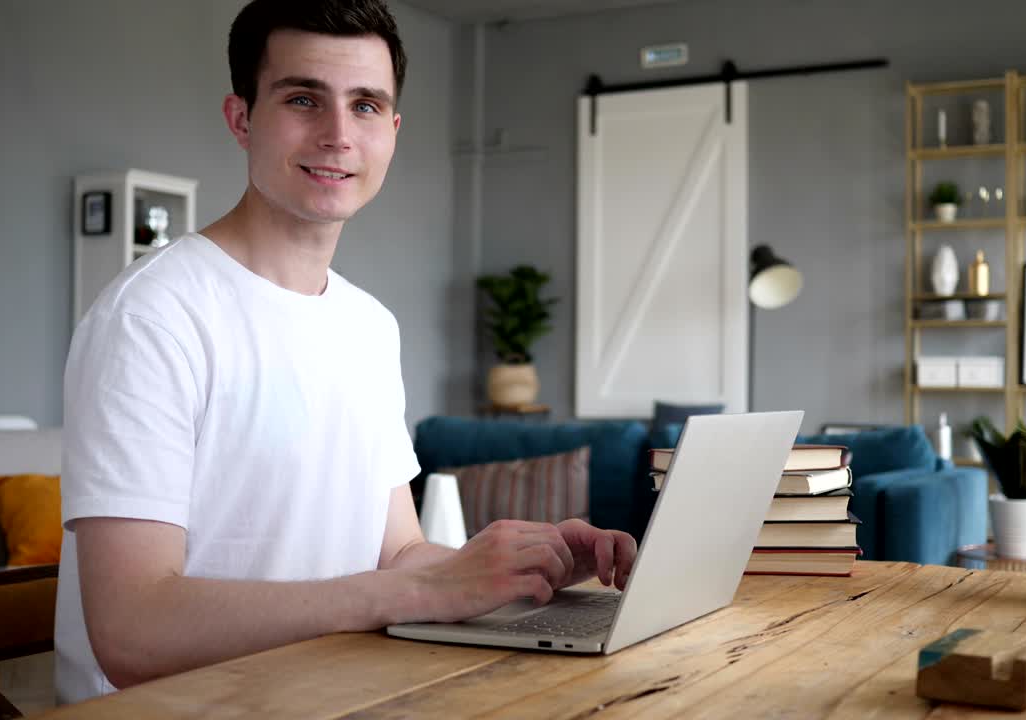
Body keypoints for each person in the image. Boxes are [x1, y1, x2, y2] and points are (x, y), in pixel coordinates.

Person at [54, 0, 637, 704]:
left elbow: (399, 554)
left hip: (341, 697)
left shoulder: (369, 324)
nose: (337, 135)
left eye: (365, 106)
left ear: (391, 132)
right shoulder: (151, 317)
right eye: (303, 99)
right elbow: (133, 632)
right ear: (241, 119)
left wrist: (524, 570)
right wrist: (409, 587)